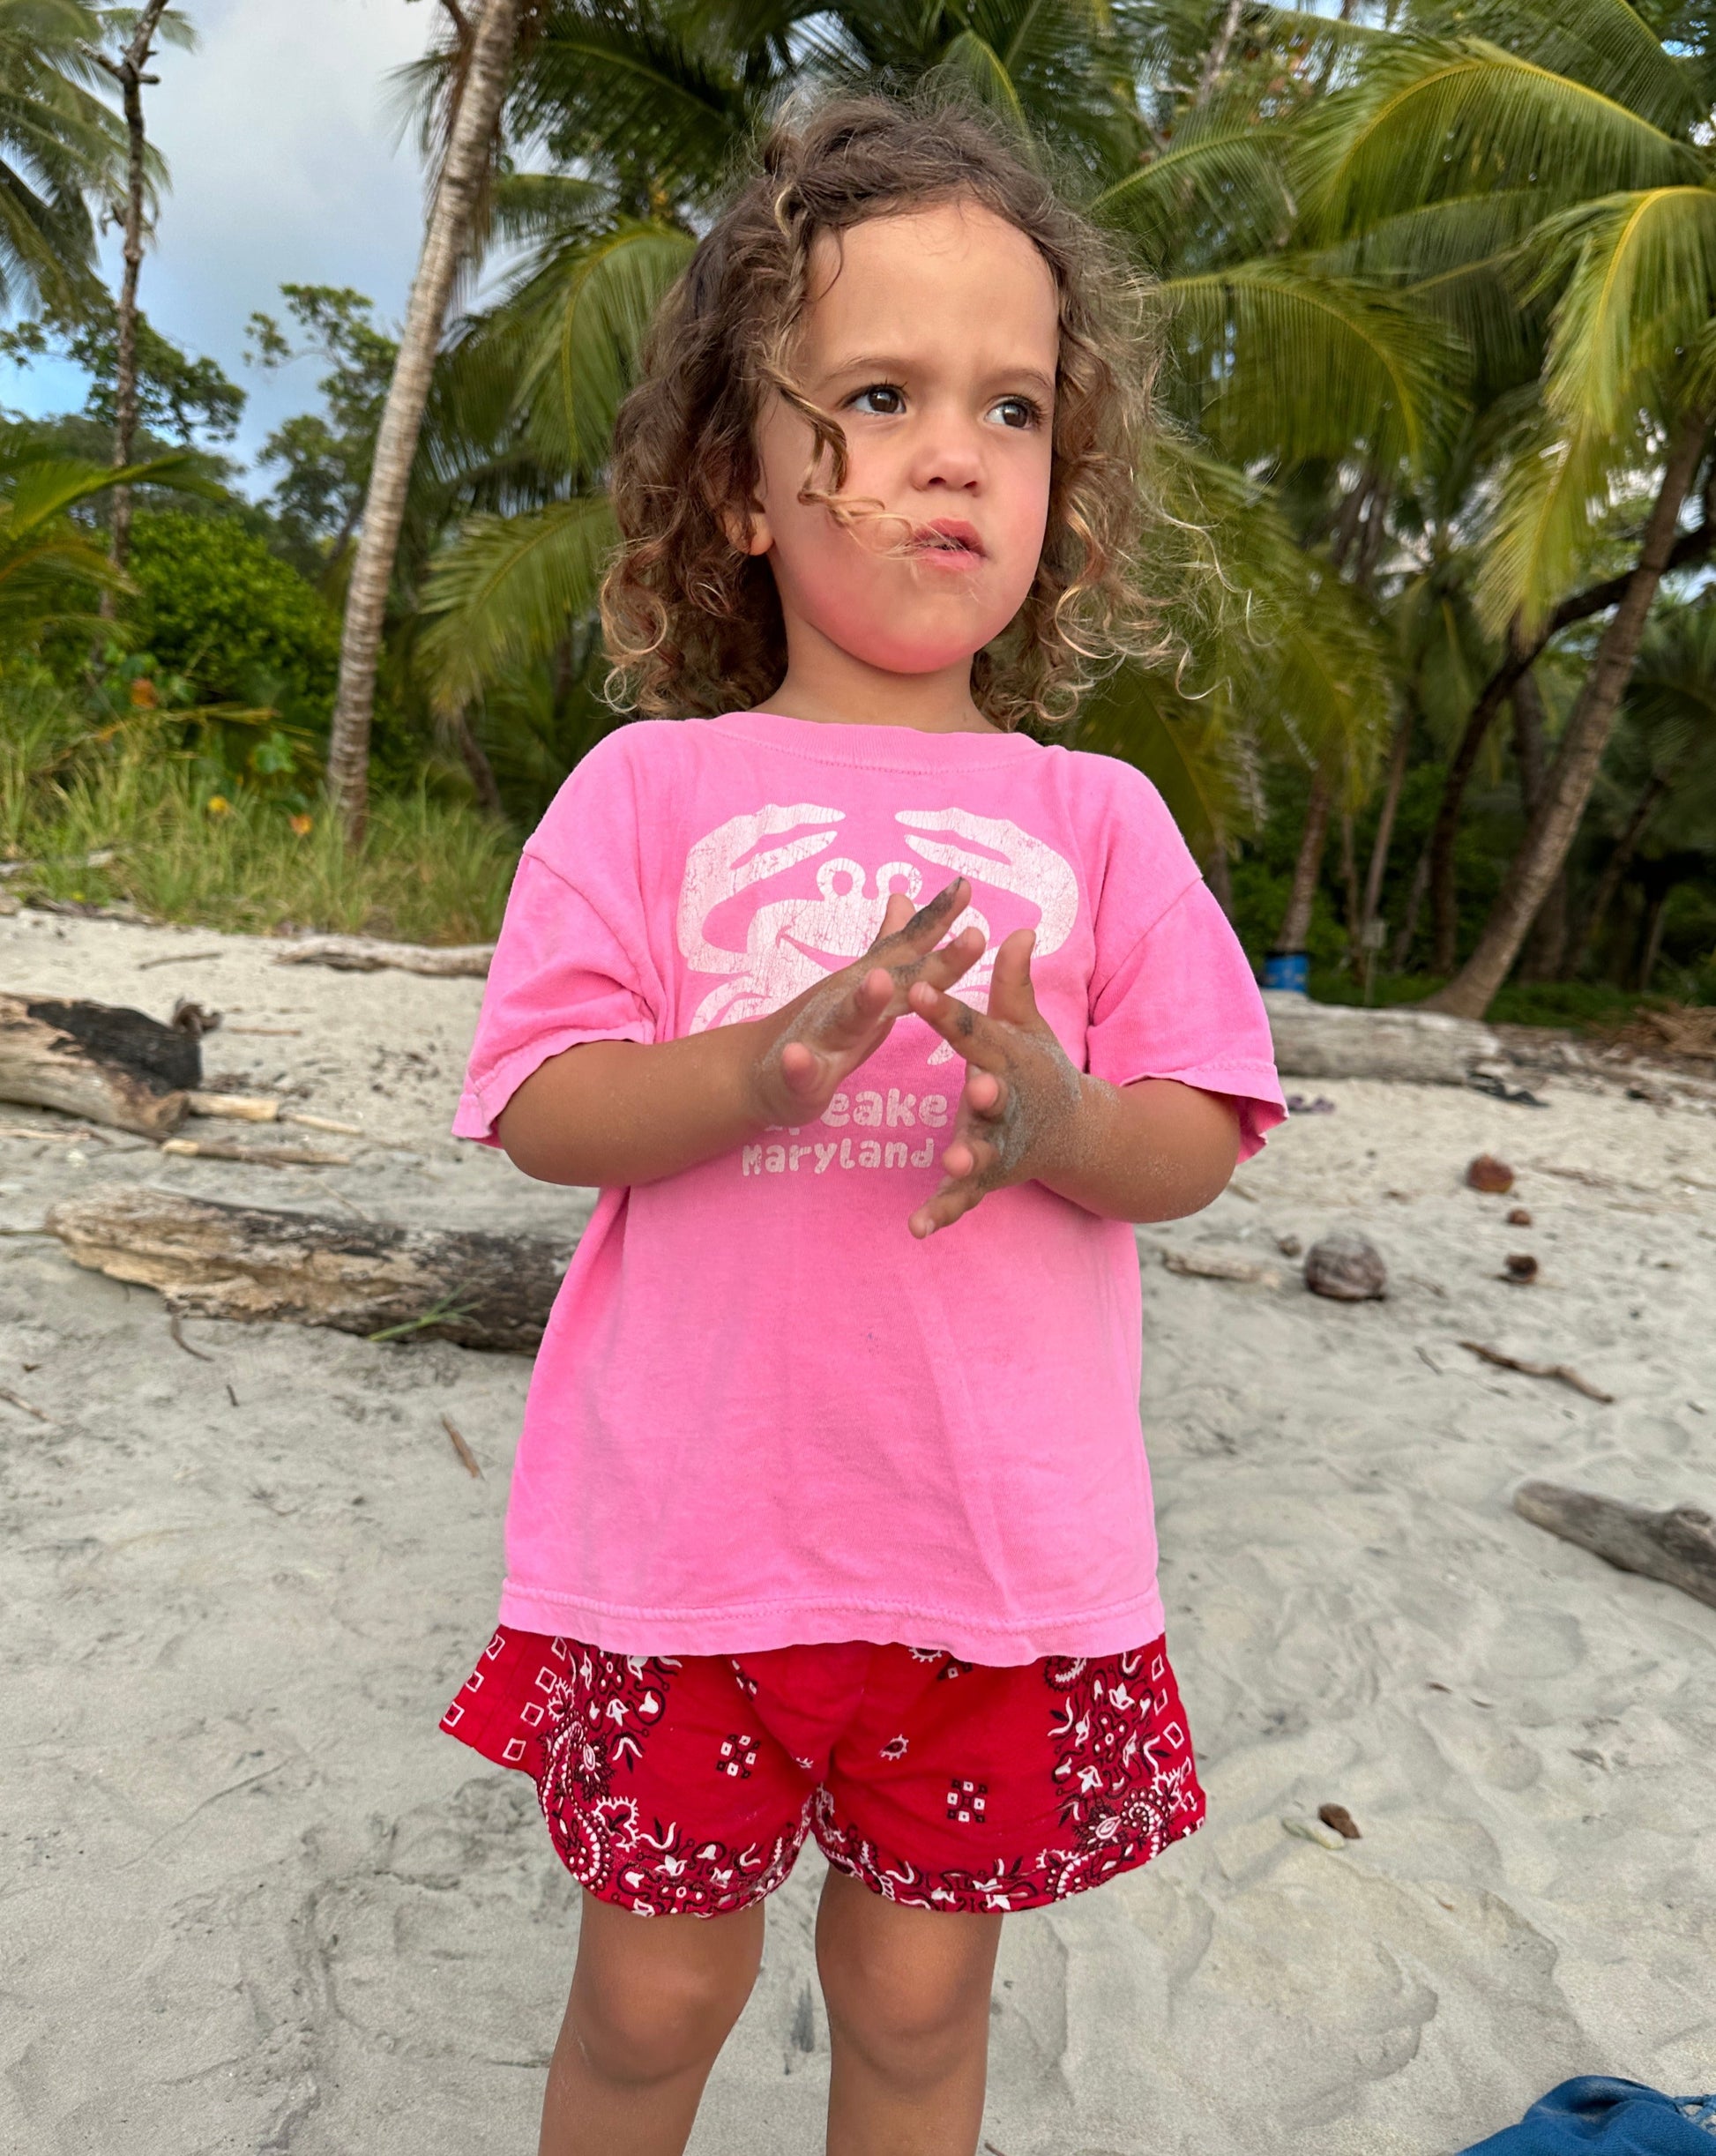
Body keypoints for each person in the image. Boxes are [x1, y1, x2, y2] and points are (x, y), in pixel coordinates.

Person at [440, 95, 1285, 2156]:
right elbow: (542, 1103)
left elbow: (1197, 1135)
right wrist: (753, 1068)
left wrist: (1063, 1118)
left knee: (915, 2007)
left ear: (1063, 490)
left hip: (987, 1557)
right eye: (881, 396)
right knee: (651, 1997)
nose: (952, 454)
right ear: (739, 482)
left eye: (1013, 408)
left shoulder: (1100, 817)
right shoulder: (647, 792)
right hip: (687, 1551)